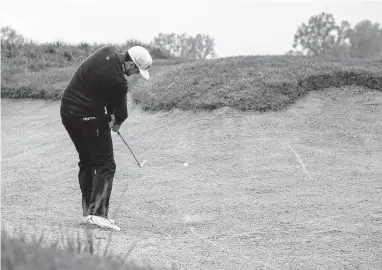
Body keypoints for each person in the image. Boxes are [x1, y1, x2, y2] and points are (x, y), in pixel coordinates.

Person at [60, 45, 152, 231]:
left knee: (87, 161)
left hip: (68, 112)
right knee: (106, 164)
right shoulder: (119, 81)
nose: (133, 74)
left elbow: (105, 93)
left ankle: (89, 212)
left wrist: (109, 116)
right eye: (135, 70)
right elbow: (121, 113)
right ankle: (98, 214)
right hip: (88, 117)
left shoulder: (108, 50)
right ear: (130, 63)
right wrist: (115, 123)